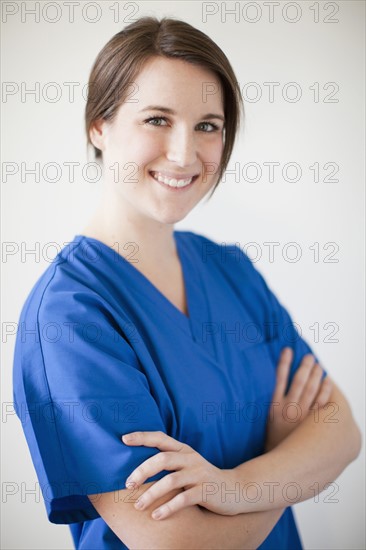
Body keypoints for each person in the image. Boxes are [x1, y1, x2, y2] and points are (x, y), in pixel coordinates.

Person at [13, 16, 361, 550]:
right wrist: (288, 464)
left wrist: (235, 487)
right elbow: (177, 543)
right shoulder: (69, 318)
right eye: (157, 118)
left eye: (208, 125)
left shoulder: (231, 269)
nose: (184, 153)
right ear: (99, 125)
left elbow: (340, 432)